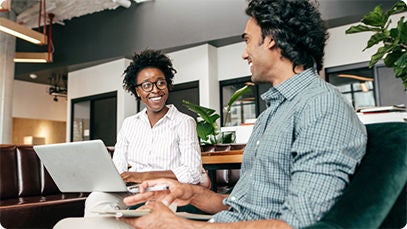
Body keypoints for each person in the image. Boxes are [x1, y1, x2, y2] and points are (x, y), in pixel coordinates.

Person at [118, 0, 367, 228]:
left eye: (247, 40)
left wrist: (184, 226)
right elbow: (244, 204)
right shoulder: (271, 115)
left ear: (270, 39)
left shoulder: (321, 106)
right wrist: (189, 193)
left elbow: (299, 223)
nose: (244, 53)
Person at [84, 49, 209, 217]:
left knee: (145, 211)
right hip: (132, 191)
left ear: (168, 84)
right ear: (137, 91)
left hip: (166, 191)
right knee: (96, 200)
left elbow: (192, 173)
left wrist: (143, 176)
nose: (155, 90)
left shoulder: (184, 122)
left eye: (160, 83)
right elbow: (118, 169)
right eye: (147, 85)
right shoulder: (129, 124)